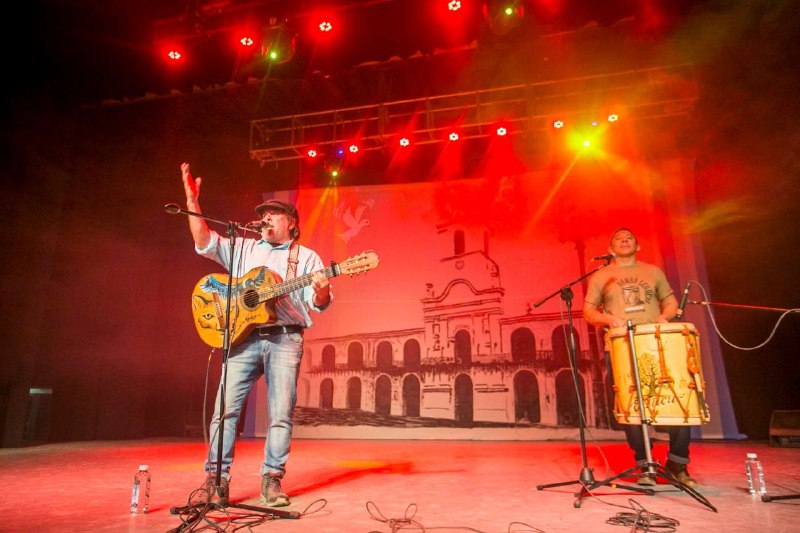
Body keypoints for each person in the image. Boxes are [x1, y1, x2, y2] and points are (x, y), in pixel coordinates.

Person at [181, 162, 333, 506]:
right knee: (225, 411)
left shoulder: (306, 257)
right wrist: (192, 201)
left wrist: (322, 289)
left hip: (285, 338)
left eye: (273, 214)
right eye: (263, 214)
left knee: (280, 414)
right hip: (241, 337)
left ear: (291, 222)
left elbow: (319, 302)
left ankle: (271, 480)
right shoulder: (245, 248)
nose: (265, 218)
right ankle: (216, 481)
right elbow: (204, 241)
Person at [582, 227, 698, 488]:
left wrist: (664, 317)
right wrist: (609, 319)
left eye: (629, 237)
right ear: (610, 249)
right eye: (618, 238)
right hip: (621, 345)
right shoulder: (601, 276)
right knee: (631, 405)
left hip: (657, 343)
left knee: (678, 397)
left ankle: (677, 463)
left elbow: (671, 303)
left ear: (638, 246)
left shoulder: (653, 272)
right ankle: (644, 463)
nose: (624, 240)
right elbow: (588, 312)